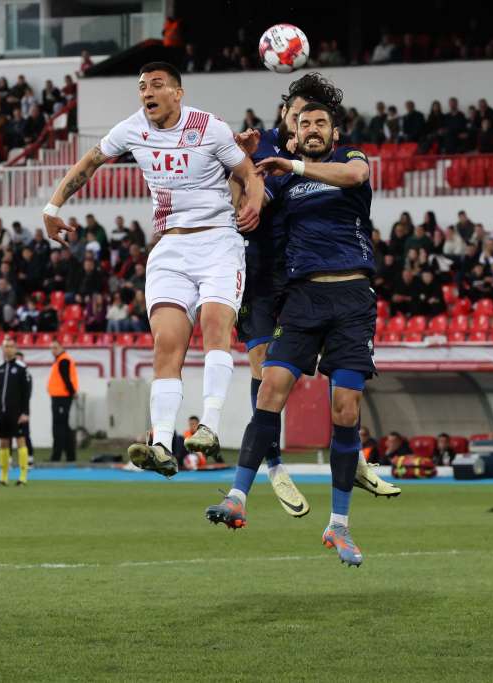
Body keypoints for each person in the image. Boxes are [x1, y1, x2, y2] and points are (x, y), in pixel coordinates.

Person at [42, 62, 263, 476]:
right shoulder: (131, 129)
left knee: (216, 326)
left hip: (217, 241)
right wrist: (53, 207)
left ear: (177, 93)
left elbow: (247, 171)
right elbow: (90, 161)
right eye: (142, 86)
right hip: (168, 249)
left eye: (157, 85)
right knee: (166, 346)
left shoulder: (209, 127)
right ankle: (161, 443)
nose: (148, 92)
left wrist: (252, 200)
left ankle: (209, 428)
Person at [205, 101, 380, 567]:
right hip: (302, 299)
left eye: (321, 123)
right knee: (270, 392)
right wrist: (239, 166)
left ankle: (339, 525)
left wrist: (295, 163)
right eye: (304, 124)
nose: (313, 129)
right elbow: (245, 207)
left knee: (345, 408)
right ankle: (238, 497)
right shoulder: (282, 180)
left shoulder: (350, 159)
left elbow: (357, 179)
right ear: (294, 132)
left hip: (352, 297)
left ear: (334, 132)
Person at [0, 338, 31, 486]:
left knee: (20, 441)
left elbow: (26, 393)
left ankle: (23, 476)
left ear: (15, 349)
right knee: (3, 442)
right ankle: (3, 477)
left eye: (10, 346)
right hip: (2, 413)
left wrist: (25, 412)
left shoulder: (22, 368)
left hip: (17, 413)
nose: (7, 349)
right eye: (5, 346)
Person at [47, 340, 77, 463]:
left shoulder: (63, 360)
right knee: (63, 426)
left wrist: (71, 392)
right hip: (60, 397)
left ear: (61, 347)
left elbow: (66, 379)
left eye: (55, 347)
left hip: (62, 397)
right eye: (51, 348)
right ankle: (69, 456)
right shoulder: (62, 360)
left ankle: (57, 456)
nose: (53, 350)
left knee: (59, 427)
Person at [14, 351, 34, 465]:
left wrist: (25, 411)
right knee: (8, 436)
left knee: (25, 434)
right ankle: (9, 460)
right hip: (10, 410)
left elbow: (28, 394)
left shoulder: (27, 375)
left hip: (22, 409)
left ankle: (30, 458)